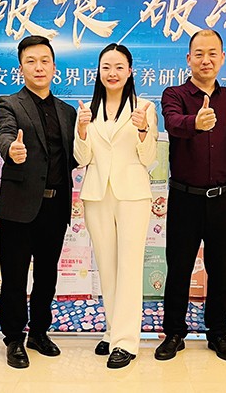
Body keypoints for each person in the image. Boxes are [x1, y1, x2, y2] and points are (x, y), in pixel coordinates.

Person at [156, 29, 226, 362]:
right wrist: (197, 121)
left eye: (212, 54)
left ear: (222, 58)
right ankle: (173, 333)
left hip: (223, 198)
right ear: (188, 58)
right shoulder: (174, 94)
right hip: (185, 198)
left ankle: (218, 333)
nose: (205, 60)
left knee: (220, 269)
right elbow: (173, 123)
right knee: (178, 268)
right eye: (199, 54)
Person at [0, 35, 77, 369]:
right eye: (31, 61)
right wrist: (10, 149)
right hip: (20, 205)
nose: (38, 67)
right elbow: (4, 133)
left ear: (54, 67)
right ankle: (14, 338)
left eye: (44, 61)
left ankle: (39, 332)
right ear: (21, 68)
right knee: (14, 276)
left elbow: (74, 156)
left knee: (46, 275)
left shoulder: (68, 112)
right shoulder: (9, 104)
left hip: (56, 206)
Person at [74, 44, 158, 369]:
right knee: (107, 266)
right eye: (106, 67)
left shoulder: (145, 107)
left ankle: (126, 342)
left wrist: (142, 130)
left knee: (129, 266)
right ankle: (113, 331)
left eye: (119, 67)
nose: (112, 73)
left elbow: (148, 158)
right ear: (98, 72)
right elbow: (81, 158)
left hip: (132, 195)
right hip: (97, 195)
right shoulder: (87, 110)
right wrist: (82, 131)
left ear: (130, 71)